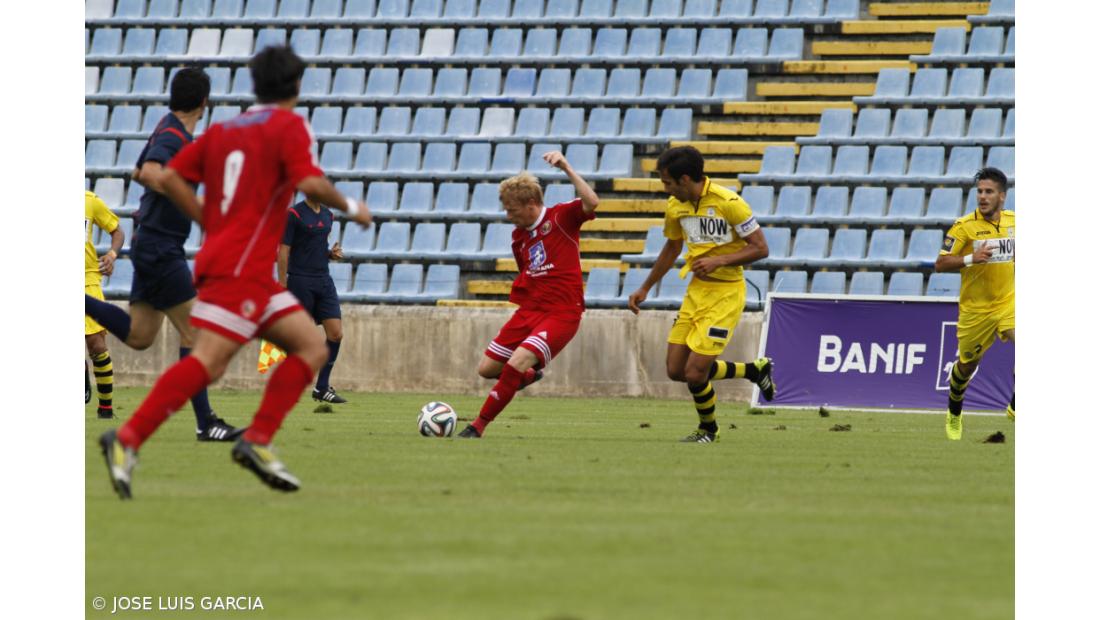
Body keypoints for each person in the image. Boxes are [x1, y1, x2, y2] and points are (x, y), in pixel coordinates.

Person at [99, 45, 373, 499]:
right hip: (242, 267)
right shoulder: (289, 126)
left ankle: (131, 441)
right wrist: (352, 206)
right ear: (296, 86)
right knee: (257, 352)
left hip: (223, 260)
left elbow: (165, 178)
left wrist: (209, 221)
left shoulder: (227, 129)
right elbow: (309, 182)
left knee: (285, 348)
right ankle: (247, 439)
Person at [83, 67, 242, 441]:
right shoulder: (174, 135)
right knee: (196, 333)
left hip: (152, 244)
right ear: (205, 102)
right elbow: (151, 172)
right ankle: (207, 424)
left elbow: (138, 171)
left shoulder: (167, 127)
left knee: (140, 335)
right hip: (160, 247)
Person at [627, 146, 775, 443]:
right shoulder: (675, 206)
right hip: (696, 293)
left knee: (695, 373)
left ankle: (709, 429)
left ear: (684, 179)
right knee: (676, 370)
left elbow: (760, 248)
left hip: (726, 294)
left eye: (667, 182)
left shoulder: (729, 203)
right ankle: (754, 370)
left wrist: (719, 260)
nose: (664, 188)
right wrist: (645, 286)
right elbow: (672, 248)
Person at [457, 152, 600, 438]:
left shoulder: (561, 217)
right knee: (486, 369)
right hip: (531, 311)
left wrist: (567, 167)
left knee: (516, 363)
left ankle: (478, 425)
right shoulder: (518, 237)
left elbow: (592, 202)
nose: (508, 216)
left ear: (532, 205)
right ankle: (526, 377)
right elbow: (528, 272)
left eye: (512, 210)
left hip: (561, 312)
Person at [934, 167, 1015, 440]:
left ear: (1002, 196)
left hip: (1008, 302)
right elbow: (940, 263)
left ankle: (1015, 406)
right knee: (966, 366)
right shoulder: (964, 226)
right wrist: (971, 258)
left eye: (988, 191)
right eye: (979, 191)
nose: (982, 196)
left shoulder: (1016, 222)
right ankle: (954, 410)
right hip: (975, 311)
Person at [277, 197, 347, 404]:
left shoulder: (328, 215)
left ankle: (322, 388)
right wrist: (282, 284)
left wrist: (329, 254)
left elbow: (314, 248)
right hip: (300, 280)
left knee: (335, 334)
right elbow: (284, 250)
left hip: (323, 280)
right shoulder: (294, 214)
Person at [85, 190, 124, 419]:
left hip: (86, 278)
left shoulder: (88, 201)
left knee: (96, 343)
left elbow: (117, 231)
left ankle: (106, 409)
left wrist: (112, 254)